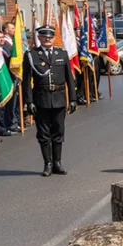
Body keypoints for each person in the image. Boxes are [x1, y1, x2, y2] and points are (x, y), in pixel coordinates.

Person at [23, 26, 77, 176]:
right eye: (44, 36)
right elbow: (26, 81)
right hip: (41, 98)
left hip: (59, 98)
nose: (48, 39)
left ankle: (57, 163)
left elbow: (69, 78)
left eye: (51, 37)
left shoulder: (62, 54)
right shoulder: (31, 55)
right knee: (43, 133)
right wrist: (29, 102)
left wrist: (72, 98)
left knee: (59, 131)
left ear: (54, 38)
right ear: (39, 38)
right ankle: (47, 163)